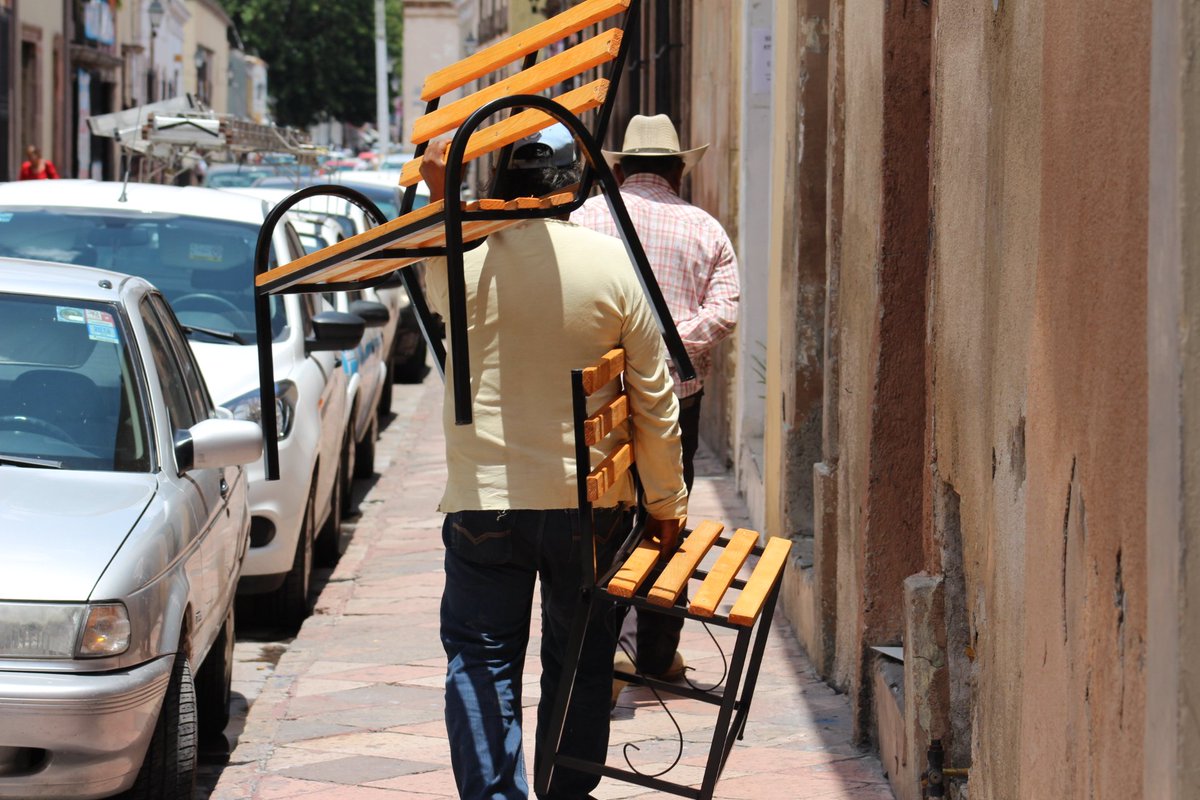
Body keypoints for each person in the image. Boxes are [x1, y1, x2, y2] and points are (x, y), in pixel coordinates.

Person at [420, 125, 687, 800]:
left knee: (481, 662)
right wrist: (666, 505)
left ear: (503, 186)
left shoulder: (463, 260)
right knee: (582, 659)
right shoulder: (613, 265)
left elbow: (433, 290)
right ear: (575, 190)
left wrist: (440, 194)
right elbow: (653, 401)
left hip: (486, 504)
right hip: (591, 507)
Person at [572, 113, 740, 693]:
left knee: (605, 517)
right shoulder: (706, 229)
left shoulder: (585, 218)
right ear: (677, 169)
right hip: (676, 398)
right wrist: (668, 345)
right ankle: (657, 655)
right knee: (668, 518)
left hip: (600, 400)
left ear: (619, 168)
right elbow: (725, 312)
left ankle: (611, 645)